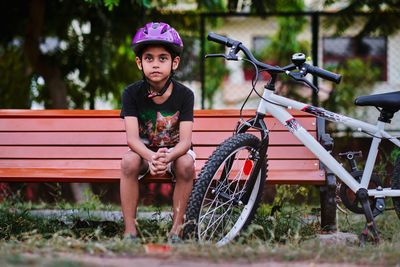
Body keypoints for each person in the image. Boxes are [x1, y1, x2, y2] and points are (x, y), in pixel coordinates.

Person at [119, 22, 195, 243]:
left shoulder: (185, 95)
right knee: (127, 162)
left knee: (186, 164)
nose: (155, 64)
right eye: (149, 58)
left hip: (176, 152)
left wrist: (167, 157)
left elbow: (186, 142)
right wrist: (151, 157)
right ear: (139, 63)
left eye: (163, 58)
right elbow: (132, 139)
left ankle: (176, 232)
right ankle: (130, 232)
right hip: (144, 153)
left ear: (175, 62)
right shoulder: (131, 93)